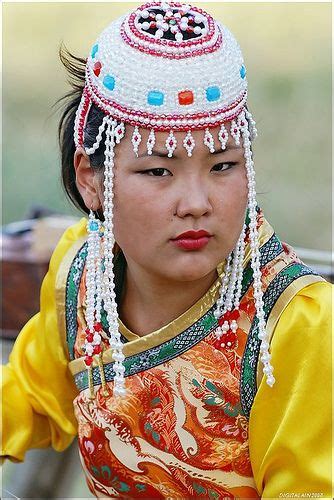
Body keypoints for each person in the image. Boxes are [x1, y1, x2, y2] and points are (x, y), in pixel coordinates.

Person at [1, 1, 331, 498]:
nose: (197, 203)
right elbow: (30, 396)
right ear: (92, 178)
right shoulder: (84, 275)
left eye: (223, 165)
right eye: (158, 171)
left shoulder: (294, 324)